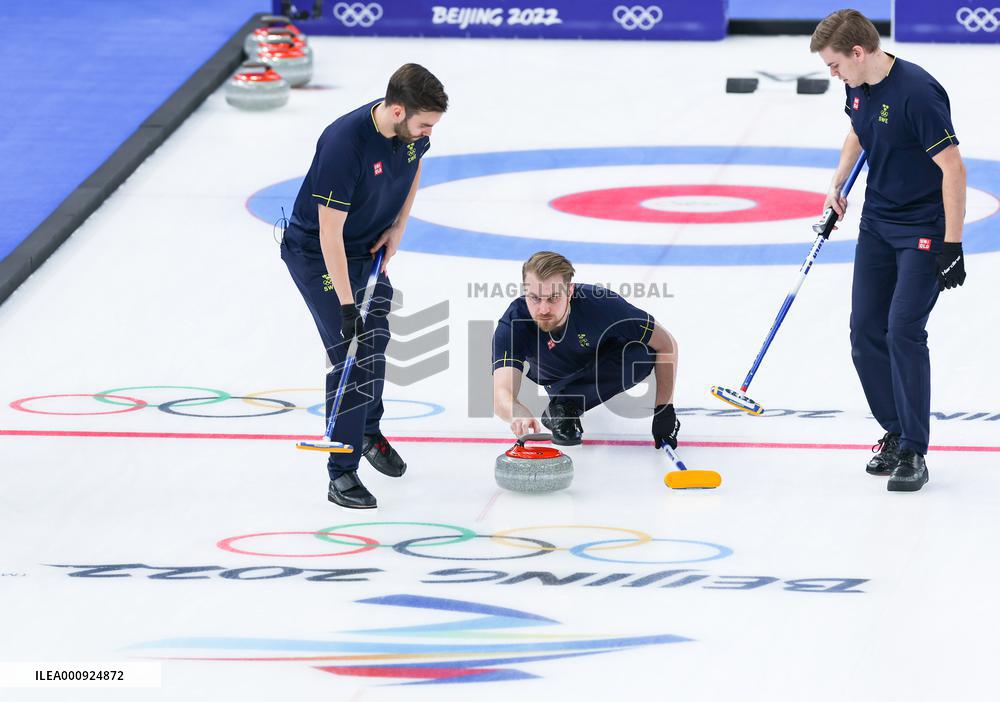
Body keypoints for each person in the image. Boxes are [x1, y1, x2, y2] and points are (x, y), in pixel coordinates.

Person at [811, 10, 967, 492]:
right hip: (878, 222)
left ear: (859, 53)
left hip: (923, 226)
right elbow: (859, 130)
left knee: (903, 330)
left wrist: (953, 244)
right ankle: (895, 432)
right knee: (864, 332)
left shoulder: (918, 94)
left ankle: (915, 451)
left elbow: (953, 169)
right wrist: (838, 181)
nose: (832, 74)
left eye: (835, 65)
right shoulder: (856, 85)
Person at [281, 64, 447, 508]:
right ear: (397, 110)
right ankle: (341, 473)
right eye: (424, 123)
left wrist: (399, 225)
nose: (429, 132)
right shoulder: (344, 144)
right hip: (318, 254)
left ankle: (368, 429)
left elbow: (413, 167)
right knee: (353, 353)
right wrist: (346, 305)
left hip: (367, 250)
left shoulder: (411, 135)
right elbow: (328, 234)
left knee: (376, 343)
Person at [492, 251, 681, 450]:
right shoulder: (514, 323)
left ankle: (564, 405)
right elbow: (501, 393)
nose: (544, 309)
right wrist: (516, 412)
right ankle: (564, 404)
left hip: (604, 362)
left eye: (554, 297)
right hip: (557, 380)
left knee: (642, 353)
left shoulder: (601, 306)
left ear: (570, 291)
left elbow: (666, 343)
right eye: (535, 298)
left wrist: (664, 409)